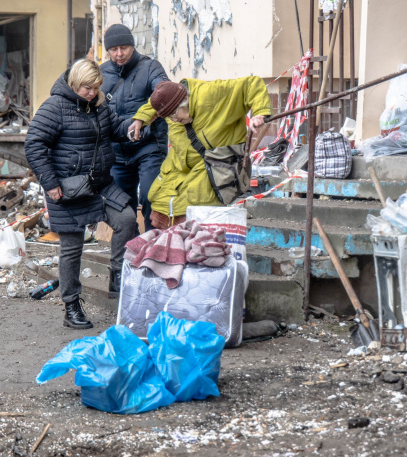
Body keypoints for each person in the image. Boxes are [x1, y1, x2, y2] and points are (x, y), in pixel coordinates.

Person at [25, 59, 137, 330]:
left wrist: (137, 124)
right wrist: (50, 184)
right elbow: (33, 144)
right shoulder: (55, 107)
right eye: (87, 88)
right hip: (68, 189)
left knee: (127, 219)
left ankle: (118, 275)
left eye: (96, 87)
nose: (92, 93)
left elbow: (115, 128)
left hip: (99, 185)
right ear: (74, 84)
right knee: (72, 249)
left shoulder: (98, 104)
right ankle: (71, 306)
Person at [129, 78, 271, 228]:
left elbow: (250, 84)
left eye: (175, 115)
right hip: (180, 163)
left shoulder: (211, 93)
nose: (174, 120)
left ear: (184, 101)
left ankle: (193, 242)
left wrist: (260, 113)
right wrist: (140, 119)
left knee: (195, 201)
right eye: (169, 118)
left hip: (214, 162)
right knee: (158, 198)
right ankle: (173, 243)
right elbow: (156, 104)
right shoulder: (172, 107)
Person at [100, 24, 169, 232]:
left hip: (148, 147)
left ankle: (153, 244)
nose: (119, 54)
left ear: (133, 46)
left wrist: (141, 119)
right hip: (117, 153)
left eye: (124, 48)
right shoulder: (101, 73)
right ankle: (131, 252)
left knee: (151, 197)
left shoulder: (151, 68)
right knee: (121, 207)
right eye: (114, 50)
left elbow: (165, 94)